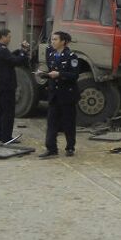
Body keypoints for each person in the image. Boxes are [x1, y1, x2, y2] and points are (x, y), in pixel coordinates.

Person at [38, 31, 81, 159]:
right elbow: (51, 71)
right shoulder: (50, 53)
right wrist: (43, 74)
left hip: (67, 95)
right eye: (52, 39)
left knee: (68, 122)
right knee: (51, 122)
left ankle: (70, 147)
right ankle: (51, 149)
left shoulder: (71, 56)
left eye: (55, 39)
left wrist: (60, 74)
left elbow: (74, 75)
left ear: (63, 42)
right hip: (54, 94)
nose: (52, 42)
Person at [0, 29, 29, 143]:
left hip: (1, 85)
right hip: (7, 86)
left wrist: (20, 51)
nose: (10, 39)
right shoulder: (2, 50)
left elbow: (9, 57)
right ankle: (6, 137)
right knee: (8, 112)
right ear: (2, 37)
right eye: (9, 37)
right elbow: (15, 61)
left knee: (1, 111)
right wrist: (23, 52)